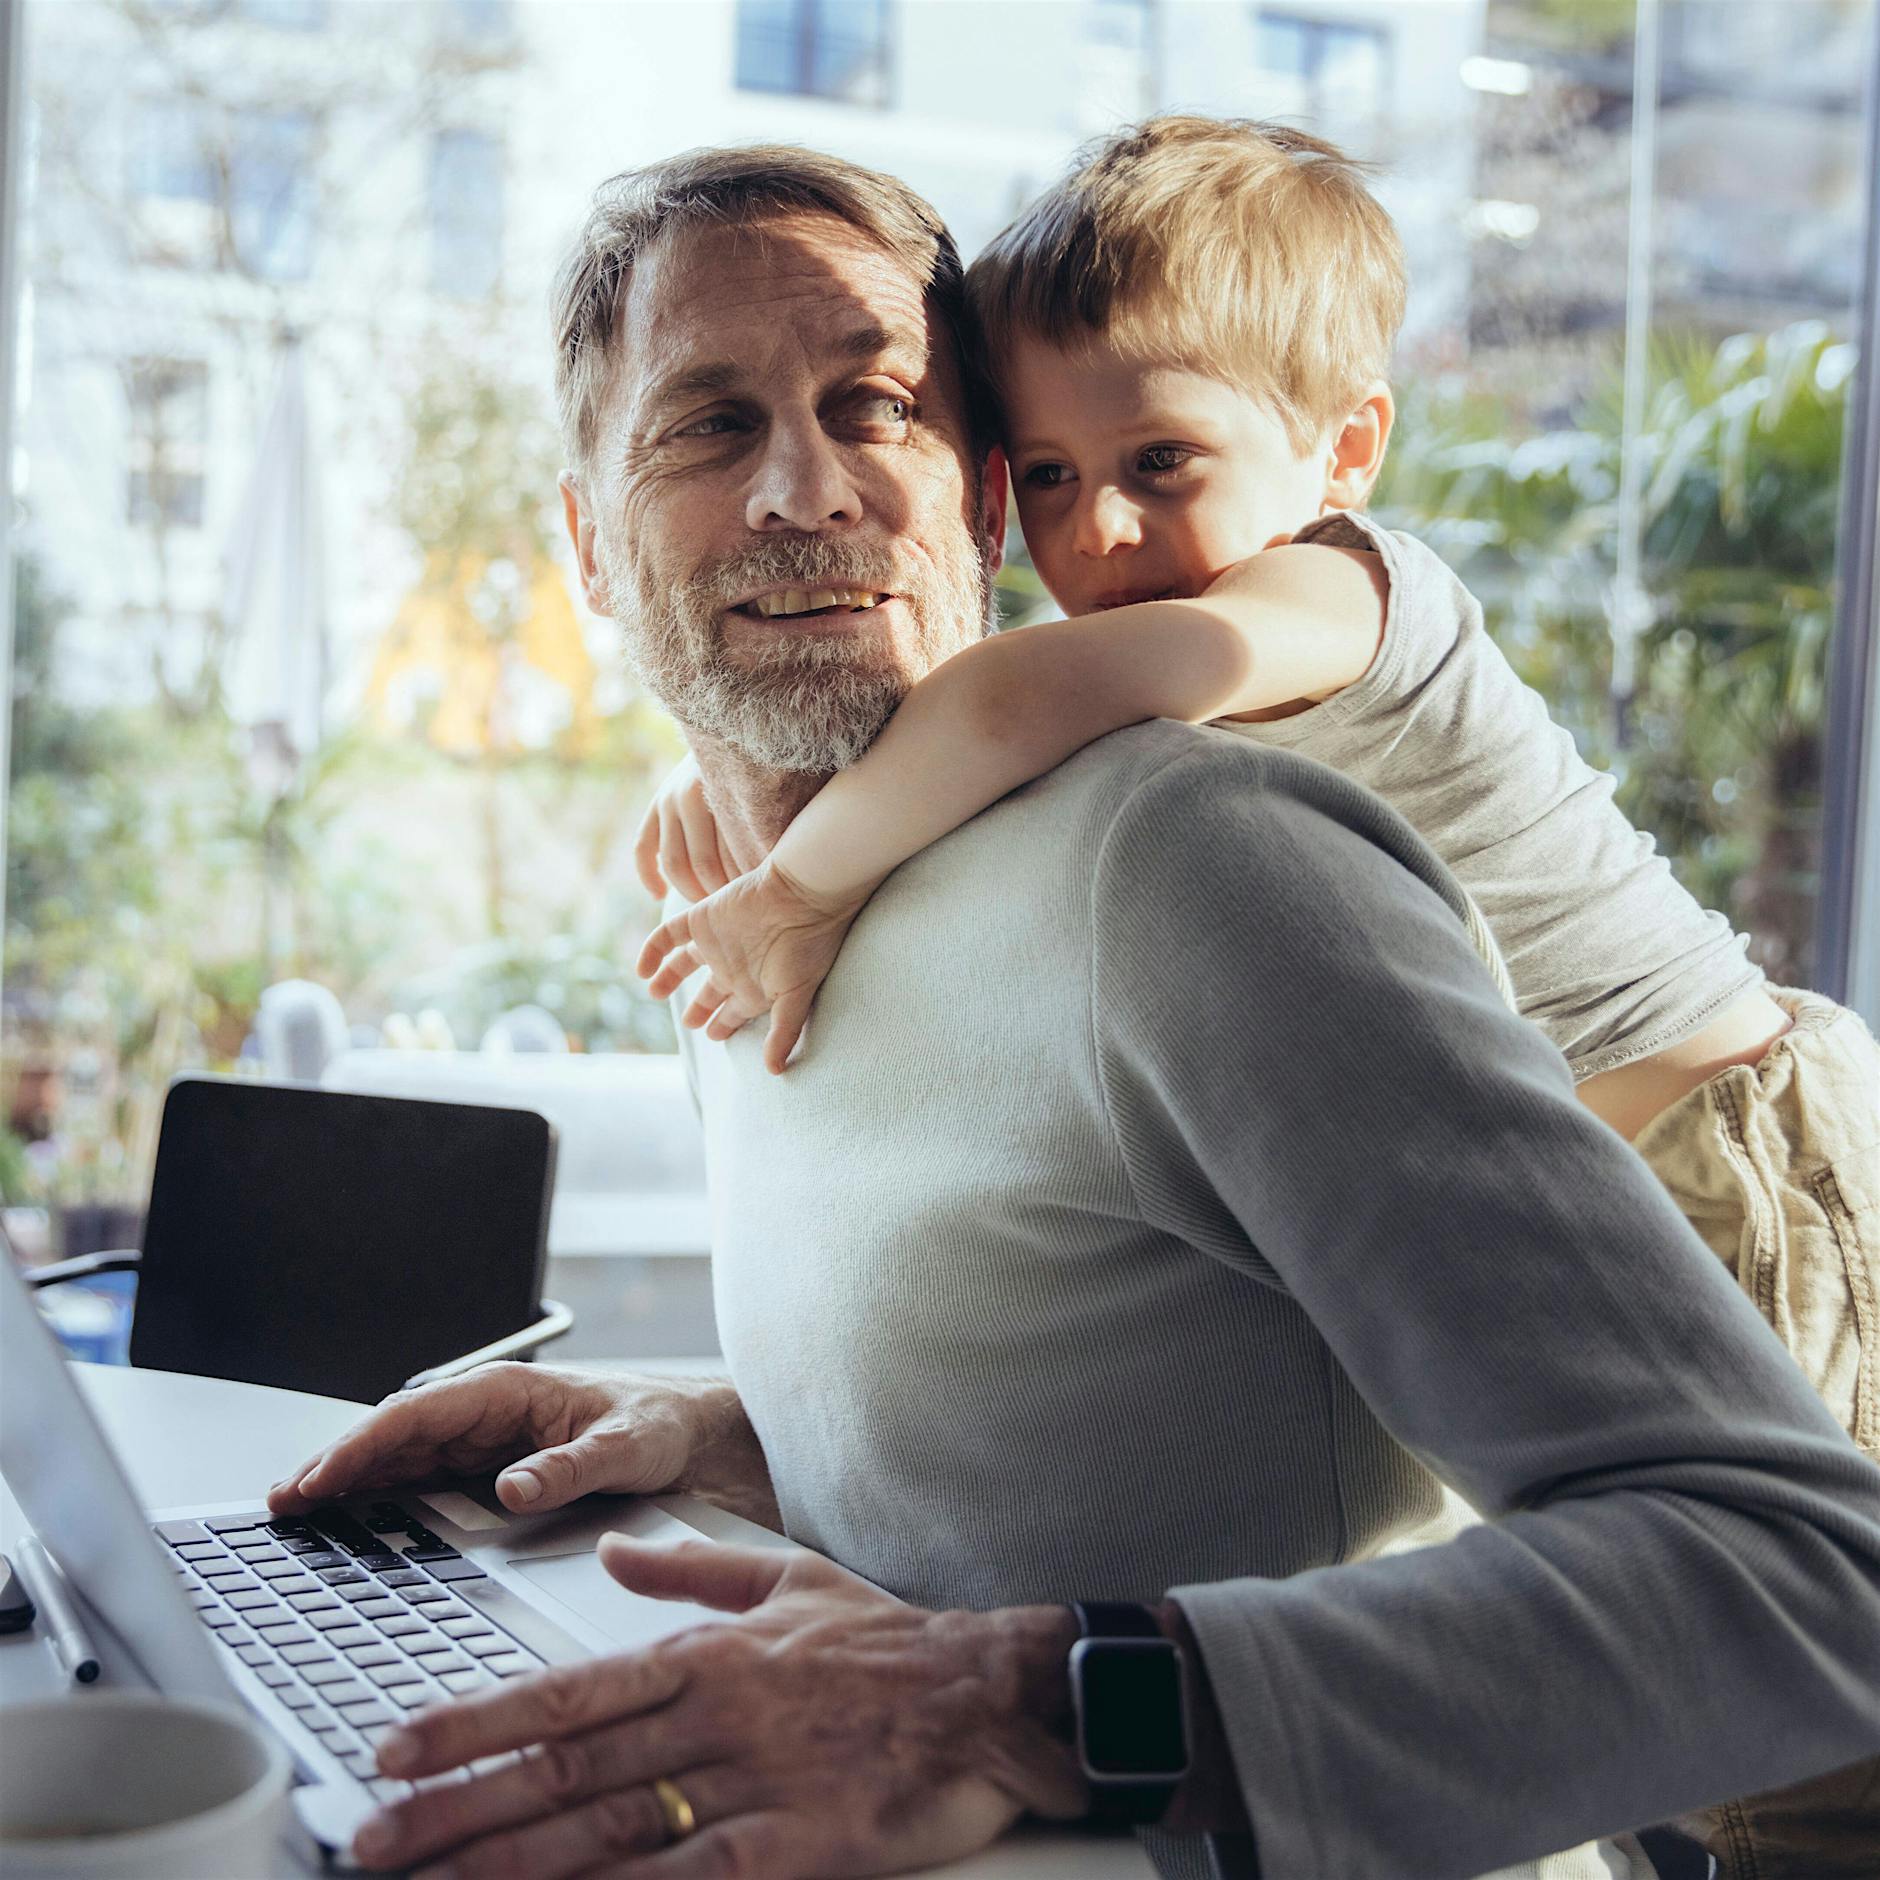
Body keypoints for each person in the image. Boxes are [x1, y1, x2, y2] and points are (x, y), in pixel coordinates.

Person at [270, 143, 1880, 1880]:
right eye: (709, 425)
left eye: (877, 404)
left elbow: (1806, 1584)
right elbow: (1147, 1424)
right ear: (586, 544)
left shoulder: (1186, 864)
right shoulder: (741, 936)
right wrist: (720, 1439)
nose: (804, 489)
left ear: (977, 500)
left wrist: (1005, 1704)